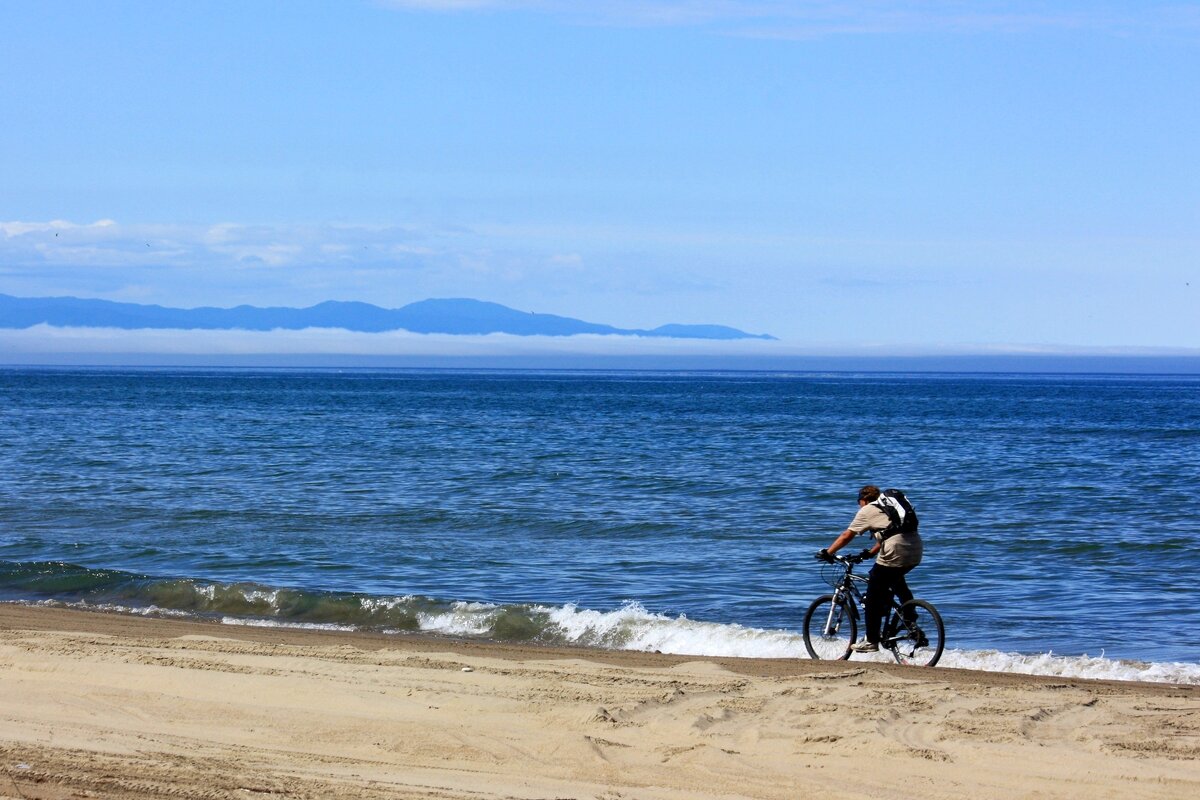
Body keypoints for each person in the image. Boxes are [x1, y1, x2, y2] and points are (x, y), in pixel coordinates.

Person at [816, 484, 923, 653]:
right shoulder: (887, 509)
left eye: (858, 502)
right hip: (915, 549)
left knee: (873, 594)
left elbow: (847, 535)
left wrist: (828, 553)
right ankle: (910, 620)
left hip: (895, 550)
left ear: (863, 500)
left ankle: (871, 640)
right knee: (895, 580)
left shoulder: (867, 510)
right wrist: (869, 553)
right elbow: (888, 534)